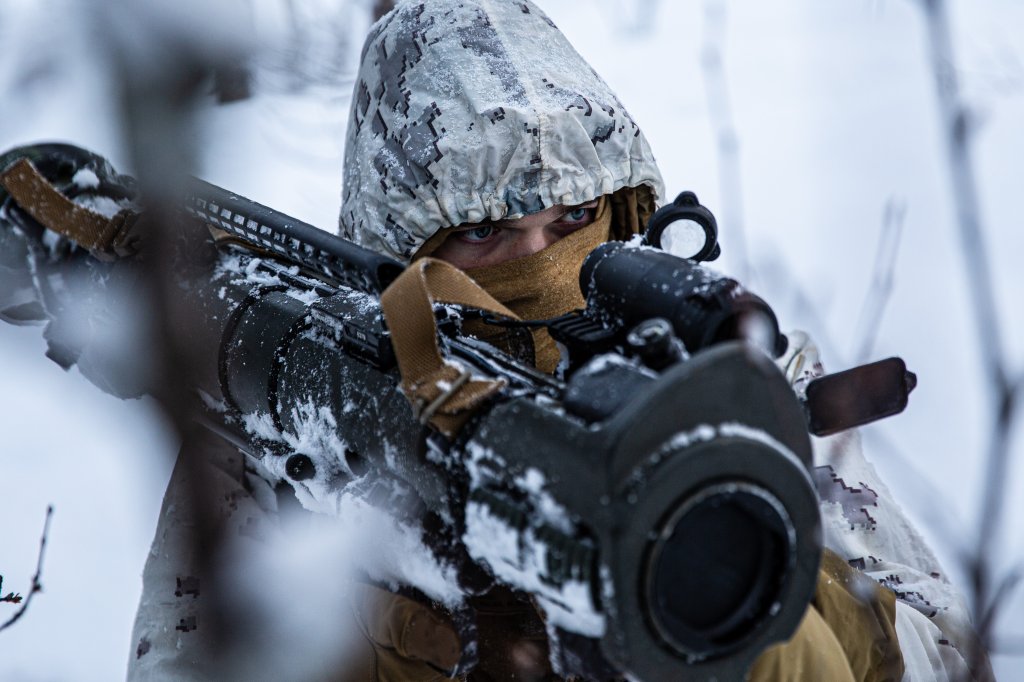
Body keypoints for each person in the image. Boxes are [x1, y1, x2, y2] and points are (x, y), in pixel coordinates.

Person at [126, 1, 989, 680]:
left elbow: (942, 652)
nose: (541, 266)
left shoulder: (739, 387)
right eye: (484, 234)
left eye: (575, 218)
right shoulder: (298, 410)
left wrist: (747, 614)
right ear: (404, 258)